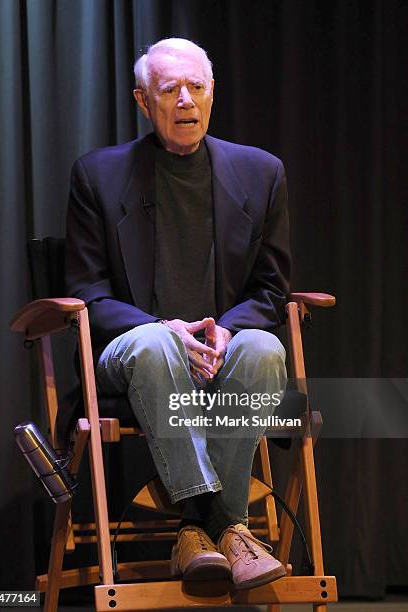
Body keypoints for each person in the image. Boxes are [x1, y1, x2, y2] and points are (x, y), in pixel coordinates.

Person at [65, 37, 290, 590]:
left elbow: (273, 289)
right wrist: (160, 327)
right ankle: (226, 524)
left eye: (197, 87)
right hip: (132, 355)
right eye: (170, 89)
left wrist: (229, 329)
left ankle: (197, 536)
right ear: (144, 101)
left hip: (223, 354)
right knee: (153, 343)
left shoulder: (261, 173)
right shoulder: (99, 175)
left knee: (265, 347)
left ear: (213, 94)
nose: (185, 99)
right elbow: (86, 291)